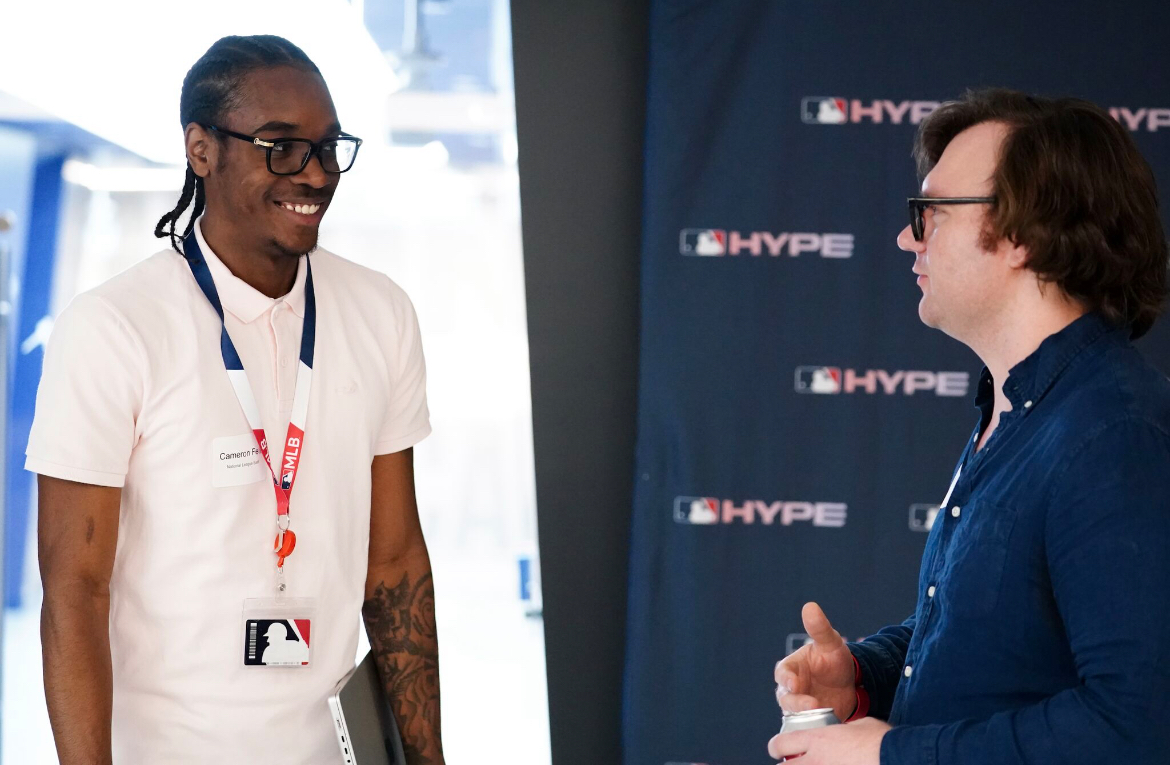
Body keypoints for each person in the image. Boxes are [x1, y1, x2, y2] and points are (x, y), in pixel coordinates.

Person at [30, 35, 444, 764]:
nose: (313, 173)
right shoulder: (114, 327)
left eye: (327, 147)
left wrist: (428, 756)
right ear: (201, 149)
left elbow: (396, 562)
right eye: (280, 147)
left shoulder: (382, 312)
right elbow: (75, 592)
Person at [769, 89, 1170, 764]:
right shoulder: (1018, 410)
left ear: (1023, 234)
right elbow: (992, 640)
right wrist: (863, 677)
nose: (907, 236)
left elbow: (1136, 726)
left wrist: (890, 755)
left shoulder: (1112, 434)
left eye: (930, 212)